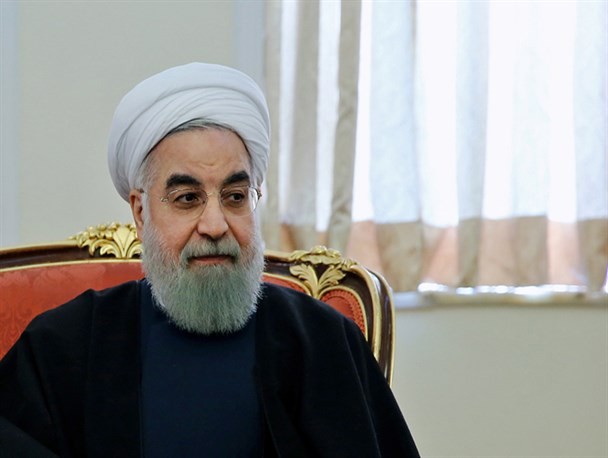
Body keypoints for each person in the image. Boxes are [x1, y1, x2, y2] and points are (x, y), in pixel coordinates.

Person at [0, 63, 419, 457]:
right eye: (187, 198)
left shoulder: (324, 341)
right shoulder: (65, 347)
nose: (215, 225)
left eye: (235, 197)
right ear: (141, 213)